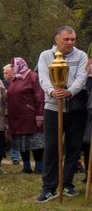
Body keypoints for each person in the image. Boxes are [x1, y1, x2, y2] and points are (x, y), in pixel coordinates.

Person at [37, 27, 89, 201]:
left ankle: (67, 184)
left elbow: (82, 77)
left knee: (73, 148)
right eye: (66, 39)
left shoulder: (81, 55)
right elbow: (43, 77)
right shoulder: (45, 55)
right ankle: (49, 187)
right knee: (52, 147)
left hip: (76, 108)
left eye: (73, 39)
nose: (70, 43)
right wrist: (52, 91)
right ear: (57, 39)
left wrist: (70, 91)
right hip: (53, 107)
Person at [6, 58, 43, 172]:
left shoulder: (32, 76)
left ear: (19, 65)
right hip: (16, 117)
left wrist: (40, 115)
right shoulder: (15, 79)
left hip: (30, 116)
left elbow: (40, 97)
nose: (11, 68)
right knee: (21, 142)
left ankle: (39, 166)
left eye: (12, 66)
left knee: (35, 142)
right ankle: (26, 166)